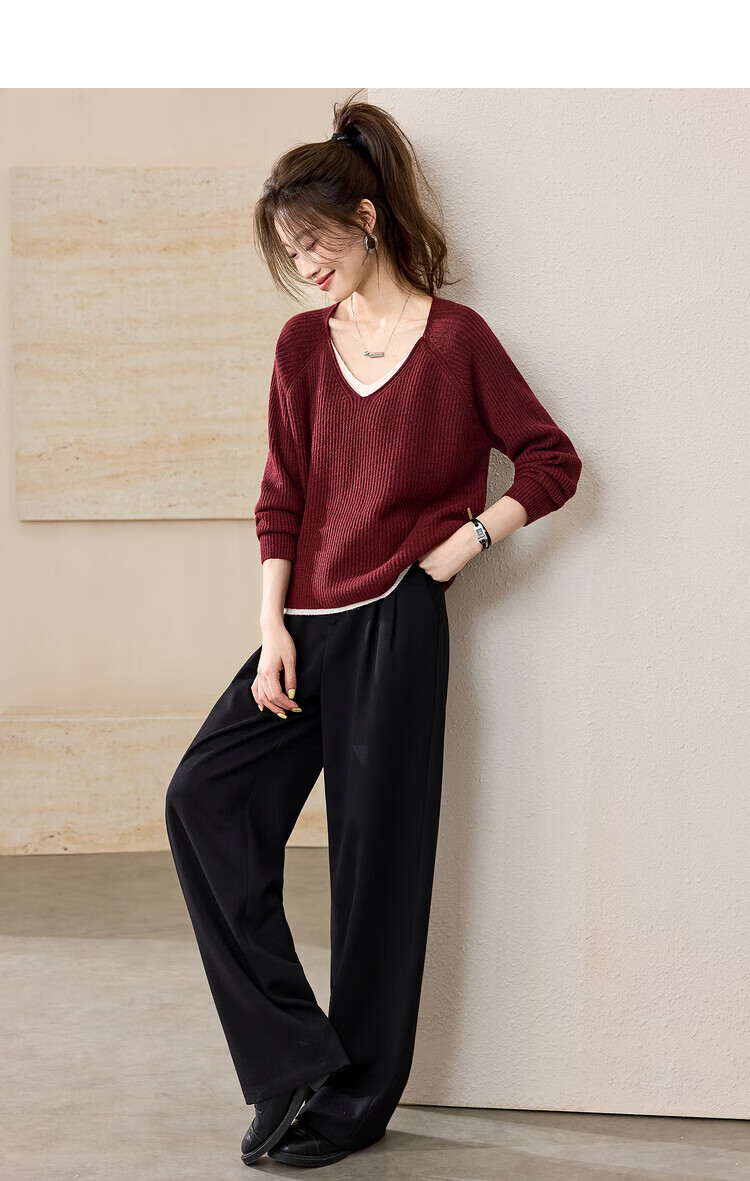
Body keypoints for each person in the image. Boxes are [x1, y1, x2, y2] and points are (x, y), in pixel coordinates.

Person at [164, 91, 583, 1170]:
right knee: (204, 800)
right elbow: (282, 497)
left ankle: (354, 1105)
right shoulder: (302, 347)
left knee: (375, 869)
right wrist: (271, 626)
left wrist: (464, 545)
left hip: (398, 625)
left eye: (314, 241)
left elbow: (552, 460)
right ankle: (287, 1060)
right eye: (289, 250)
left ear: (366, 217)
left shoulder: (457, 342)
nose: (304, 265)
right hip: (303, 629)